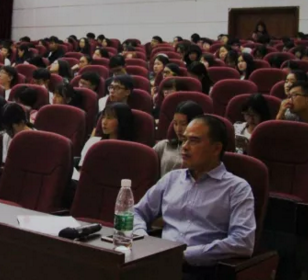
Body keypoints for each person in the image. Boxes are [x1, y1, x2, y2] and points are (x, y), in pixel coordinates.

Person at [134, 115, 255, 277]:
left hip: (203, 271)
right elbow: (137, 212)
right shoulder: (172, 179)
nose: (184, 147)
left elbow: (243, 242)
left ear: (216, 148)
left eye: (193, 141)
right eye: (184, 140)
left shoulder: (237, 189)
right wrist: (143, 239)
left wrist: (184, 255)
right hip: (158, 263)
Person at [75, 103, 135, 180]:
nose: (104, 122)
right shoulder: (93, 142)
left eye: (109, 118)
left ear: (122, 121)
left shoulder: (131, 150)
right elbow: (82, 173)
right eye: (103, 117)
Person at [153, 101, 204, 177]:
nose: (178, 129)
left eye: (183, 124)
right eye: (175, 123)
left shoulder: (202, 152)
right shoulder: (164, 145)